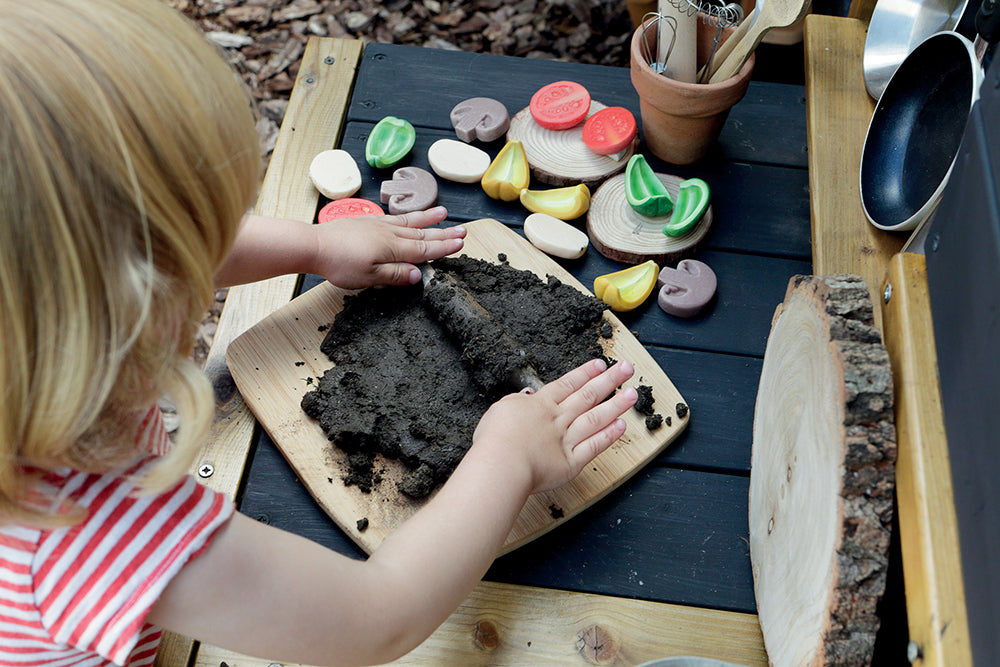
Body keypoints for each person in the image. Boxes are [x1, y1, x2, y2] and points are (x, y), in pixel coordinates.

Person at [0, 1, 639, 665]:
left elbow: (140, 249)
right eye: (190, 254)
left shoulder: (27, 336)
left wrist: (311, 243)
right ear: (121, 307)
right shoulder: (98, 527)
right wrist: (509, 456)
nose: (207, 257)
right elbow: (376, 617)